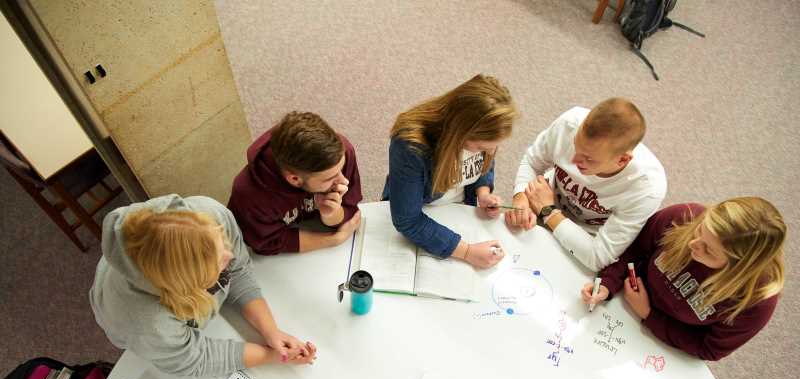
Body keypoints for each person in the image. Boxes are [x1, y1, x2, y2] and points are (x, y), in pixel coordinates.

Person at [89, 194, 316, 377]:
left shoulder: (210, 213)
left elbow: (237, 270)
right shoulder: (146, 323)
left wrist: (271, 331)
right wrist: (270, 357)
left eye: (222, 245)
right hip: (137, 326)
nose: (230, 255)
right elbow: (193, 358)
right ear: (186, 282)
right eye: (217, 264)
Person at [581, 198, 785, 361]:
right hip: (620, 304)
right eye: (700, 231)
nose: (694, 244)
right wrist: (607, 284)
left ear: (738, 266)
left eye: (709, 250)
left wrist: (648, 314)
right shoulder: (684, 217)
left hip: (659, 346)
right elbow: (633, 250)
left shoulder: (756, 300)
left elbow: (709, 348)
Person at [506, 98, 666, 271]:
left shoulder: (646, 188)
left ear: (622, 160)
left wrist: (549, 212)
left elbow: (598, 257)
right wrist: (520, 196)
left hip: (585, 240)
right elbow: (532, 162)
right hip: (541, 204)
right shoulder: (569, 124)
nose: (574, 160)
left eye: (588, 158)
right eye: (575, 146)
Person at [382, 74, 519, 269]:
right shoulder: (410, 145)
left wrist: (483, 192)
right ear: (460, 131)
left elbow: (484, 165)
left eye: (493, 147)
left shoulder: (484, 139)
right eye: (480, 146)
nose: (490, 152)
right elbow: (407, 220)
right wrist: (467, 252)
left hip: (460, 212)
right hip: (422, 212)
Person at [228, 111, 362, 255]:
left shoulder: (342, 152)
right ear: (294, 179)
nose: (344, 181)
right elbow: (266, 242)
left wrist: (331, 215)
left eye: (341, 170)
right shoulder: (249, 194)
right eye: (330, 178)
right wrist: (333, 240)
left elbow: (350, 210)